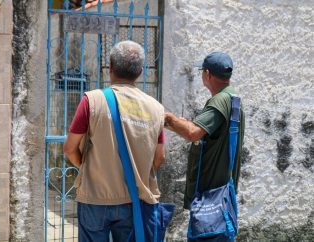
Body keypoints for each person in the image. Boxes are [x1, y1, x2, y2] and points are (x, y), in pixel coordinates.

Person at [63, 40, 166, 242]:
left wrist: (86, 167)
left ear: (110, 67)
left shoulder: (92, 100)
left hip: (94, 199)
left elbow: (69, 148)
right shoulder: (155, 108)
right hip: (134, 201)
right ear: (140, 72)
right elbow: (159, 157)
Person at [164, 51, 245, 213]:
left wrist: (168, 117)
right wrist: (175, 124)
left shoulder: (220, 100)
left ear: (207, 74)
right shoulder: (232, 98)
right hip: (220, 194)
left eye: (202, 71)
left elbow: (193, 133)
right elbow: (204, 133)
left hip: (210, 196)